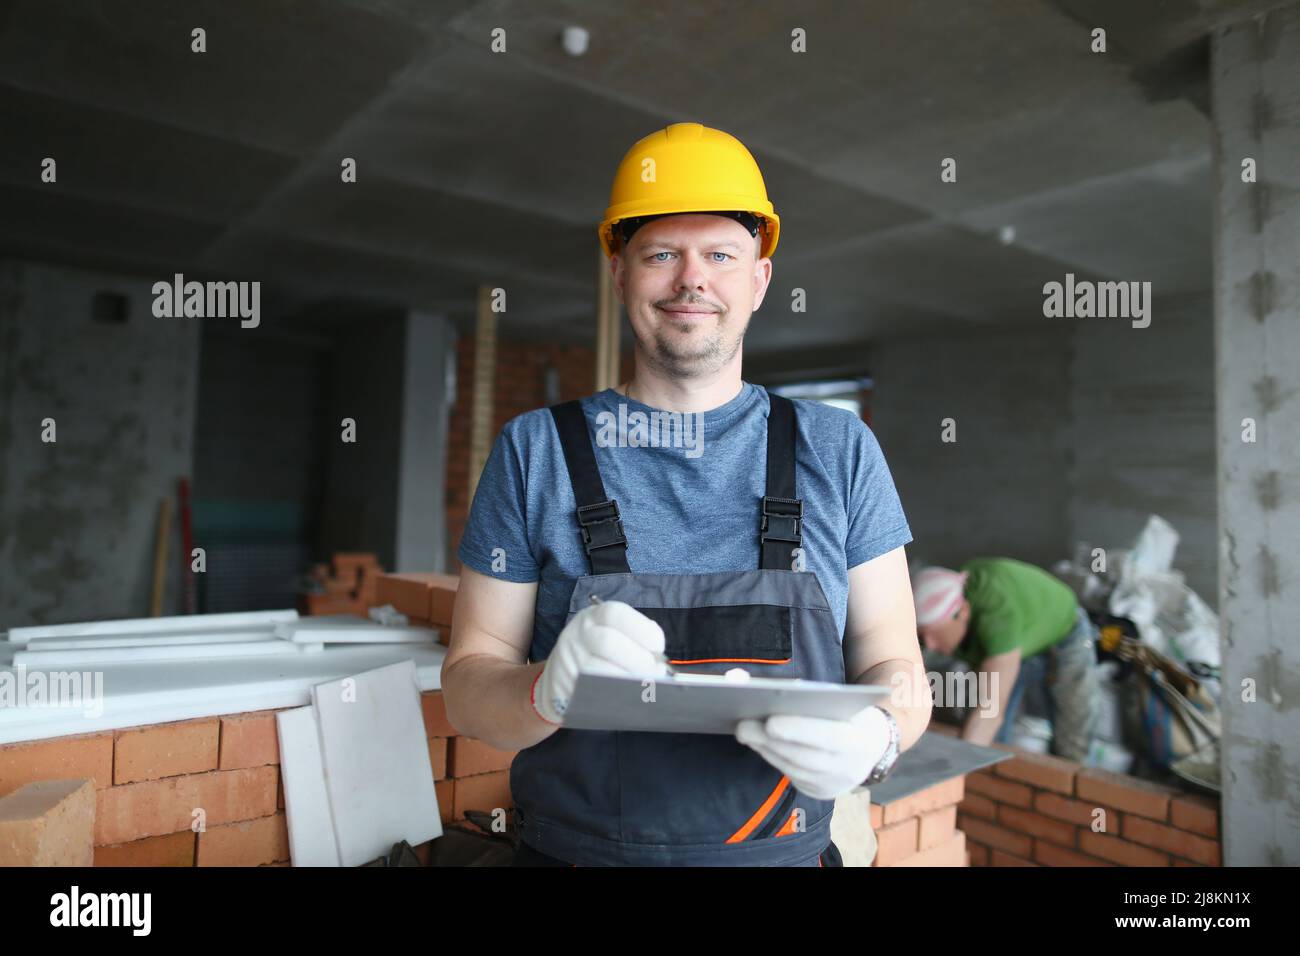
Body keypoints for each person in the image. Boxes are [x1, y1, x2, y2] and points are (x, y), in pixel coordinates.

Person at [441, 122, 930, 867]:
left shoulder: (839, 449)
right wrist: (545, 690)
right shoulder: (535, 450)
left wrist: (880, 737)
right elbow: (470, 686)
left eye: (721, 256)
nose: (691, 280)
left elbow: (896, 665)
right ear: (619, 274)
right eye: (662, 254)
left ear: (760, 280)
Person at [913, 558, 1100, 760]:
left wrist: (955, 771)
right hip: (1019, 633)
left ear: (963, 612)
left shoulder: (996, 613)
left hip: (1065, 632)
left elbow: (989, 712)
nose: (929, 645)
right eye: (922, 636)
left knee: (1072, 737)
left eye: (933, 634)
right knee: (992, 738)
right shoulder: (953, 599)